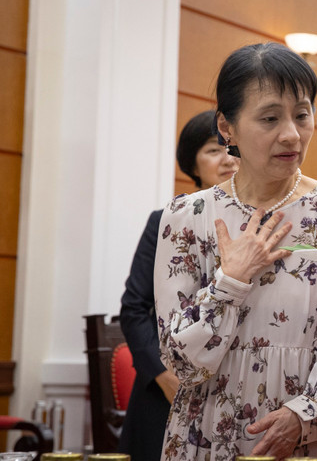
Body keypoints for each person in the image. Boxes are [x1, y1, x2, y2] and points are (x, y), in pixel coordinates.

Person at [154, 42, 317, 460]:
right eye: (270, 118)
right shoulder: (187, 216)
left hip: (309, 441)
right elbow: (183, 363)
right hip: (206, 435)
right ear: (227, 127)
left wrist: (303, 414)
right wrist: (230, 281)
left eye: (302, 114)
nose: (291, 134)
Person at [119, 110, 239, 460]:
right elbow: (134, 309)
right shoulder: (165, 222)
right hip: (166, 389)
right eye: (213, 150)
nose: (227, 158)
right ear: (192, 164)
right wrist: (163, 376)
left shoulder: (261, 221)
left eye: (232, 148)